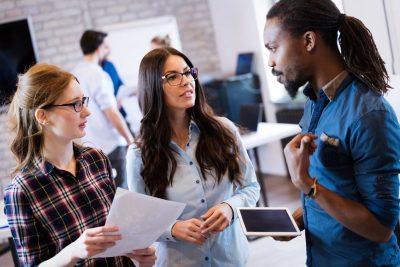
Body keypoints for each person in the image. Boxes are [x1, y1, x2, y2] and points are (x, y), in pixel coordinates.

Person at [264, 0, 400, 266]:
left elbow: (381, 229)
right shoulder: (315, 102)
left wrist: (306, 185)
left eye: (274, 48)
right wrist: (299, 219)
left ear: (309, 41)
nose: (270, 61)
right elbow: (338, 187)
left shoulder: (370, 115)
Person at [4, 63, 156, 266]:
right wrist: (74, 251)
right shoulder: (22, 191)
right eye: (75, 104)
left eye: (83, 101)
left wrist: (140, 257)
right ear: (43, 116)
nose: (87, 112)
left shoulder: (96, 159)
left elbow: (117, 236)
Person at [126, 47, 260, 267]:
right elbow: (141, 220)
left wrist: (230, 207)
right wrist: (172, 228)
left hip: (231, 259)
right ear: (152, 87)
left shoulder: (223, 131)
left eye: (188, 73)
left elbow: (251, 187)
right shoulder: (139, 154)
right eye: (172, 77)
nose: (187, 81)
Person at [72, 30, 134, 189]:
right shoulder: (98, 74)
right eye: (106, 46)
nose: (107, 50)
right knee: (123, 195)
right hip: (111, 146)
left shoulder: (74, 74)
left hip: (89, 148)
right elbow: (111, 112)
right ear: (99, 47)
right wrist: (130, 141)